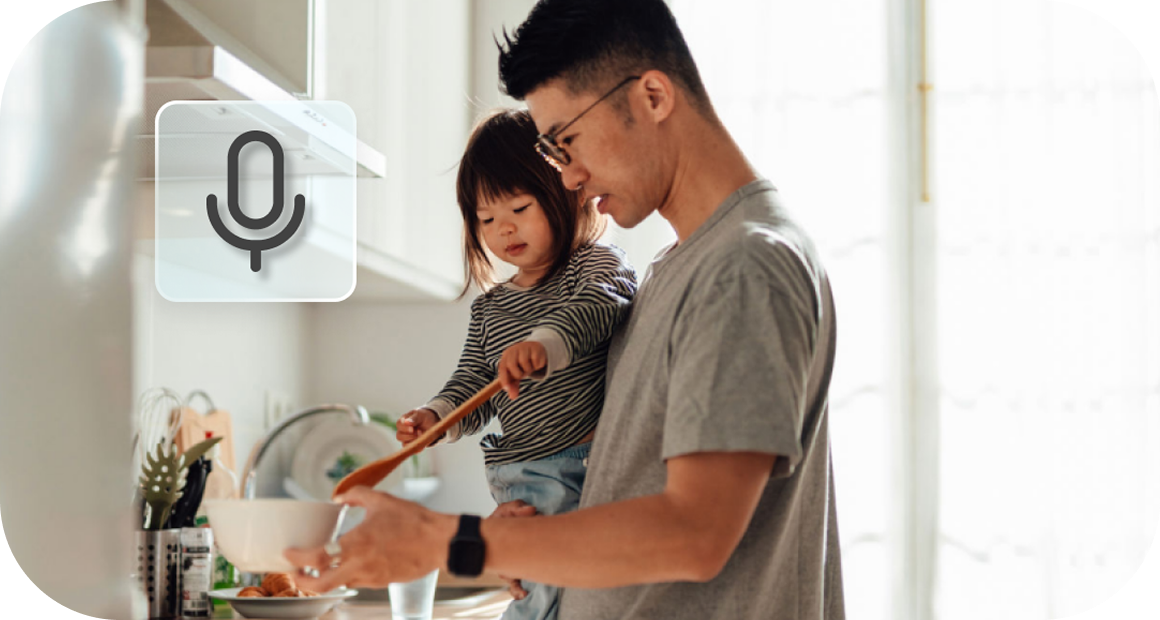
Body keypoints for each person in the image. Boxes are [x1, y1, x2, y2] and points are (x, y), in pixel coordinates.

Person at [287, 1, 845, 619]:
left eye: (566, 141)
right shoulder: (677, 270)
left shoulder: (742, 267)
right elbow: (622, 491)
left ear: (652, 96)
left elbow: (694, 533)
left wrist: (448, 541)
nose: (571, 177)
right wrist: (528, 539)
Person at [393, 108, 637, 620]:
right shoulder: (489, 308)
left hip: (577, 464)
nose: (503, 229)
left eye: (519, 208)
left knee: (547, 594)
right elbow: (473, 382)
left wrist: (545, 345)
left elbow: (602, 304)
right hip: (518, 475)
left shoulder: (591, 265)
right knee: (536, 591)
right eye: (485, 219)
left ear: (564, 192)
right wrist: (436, 418)